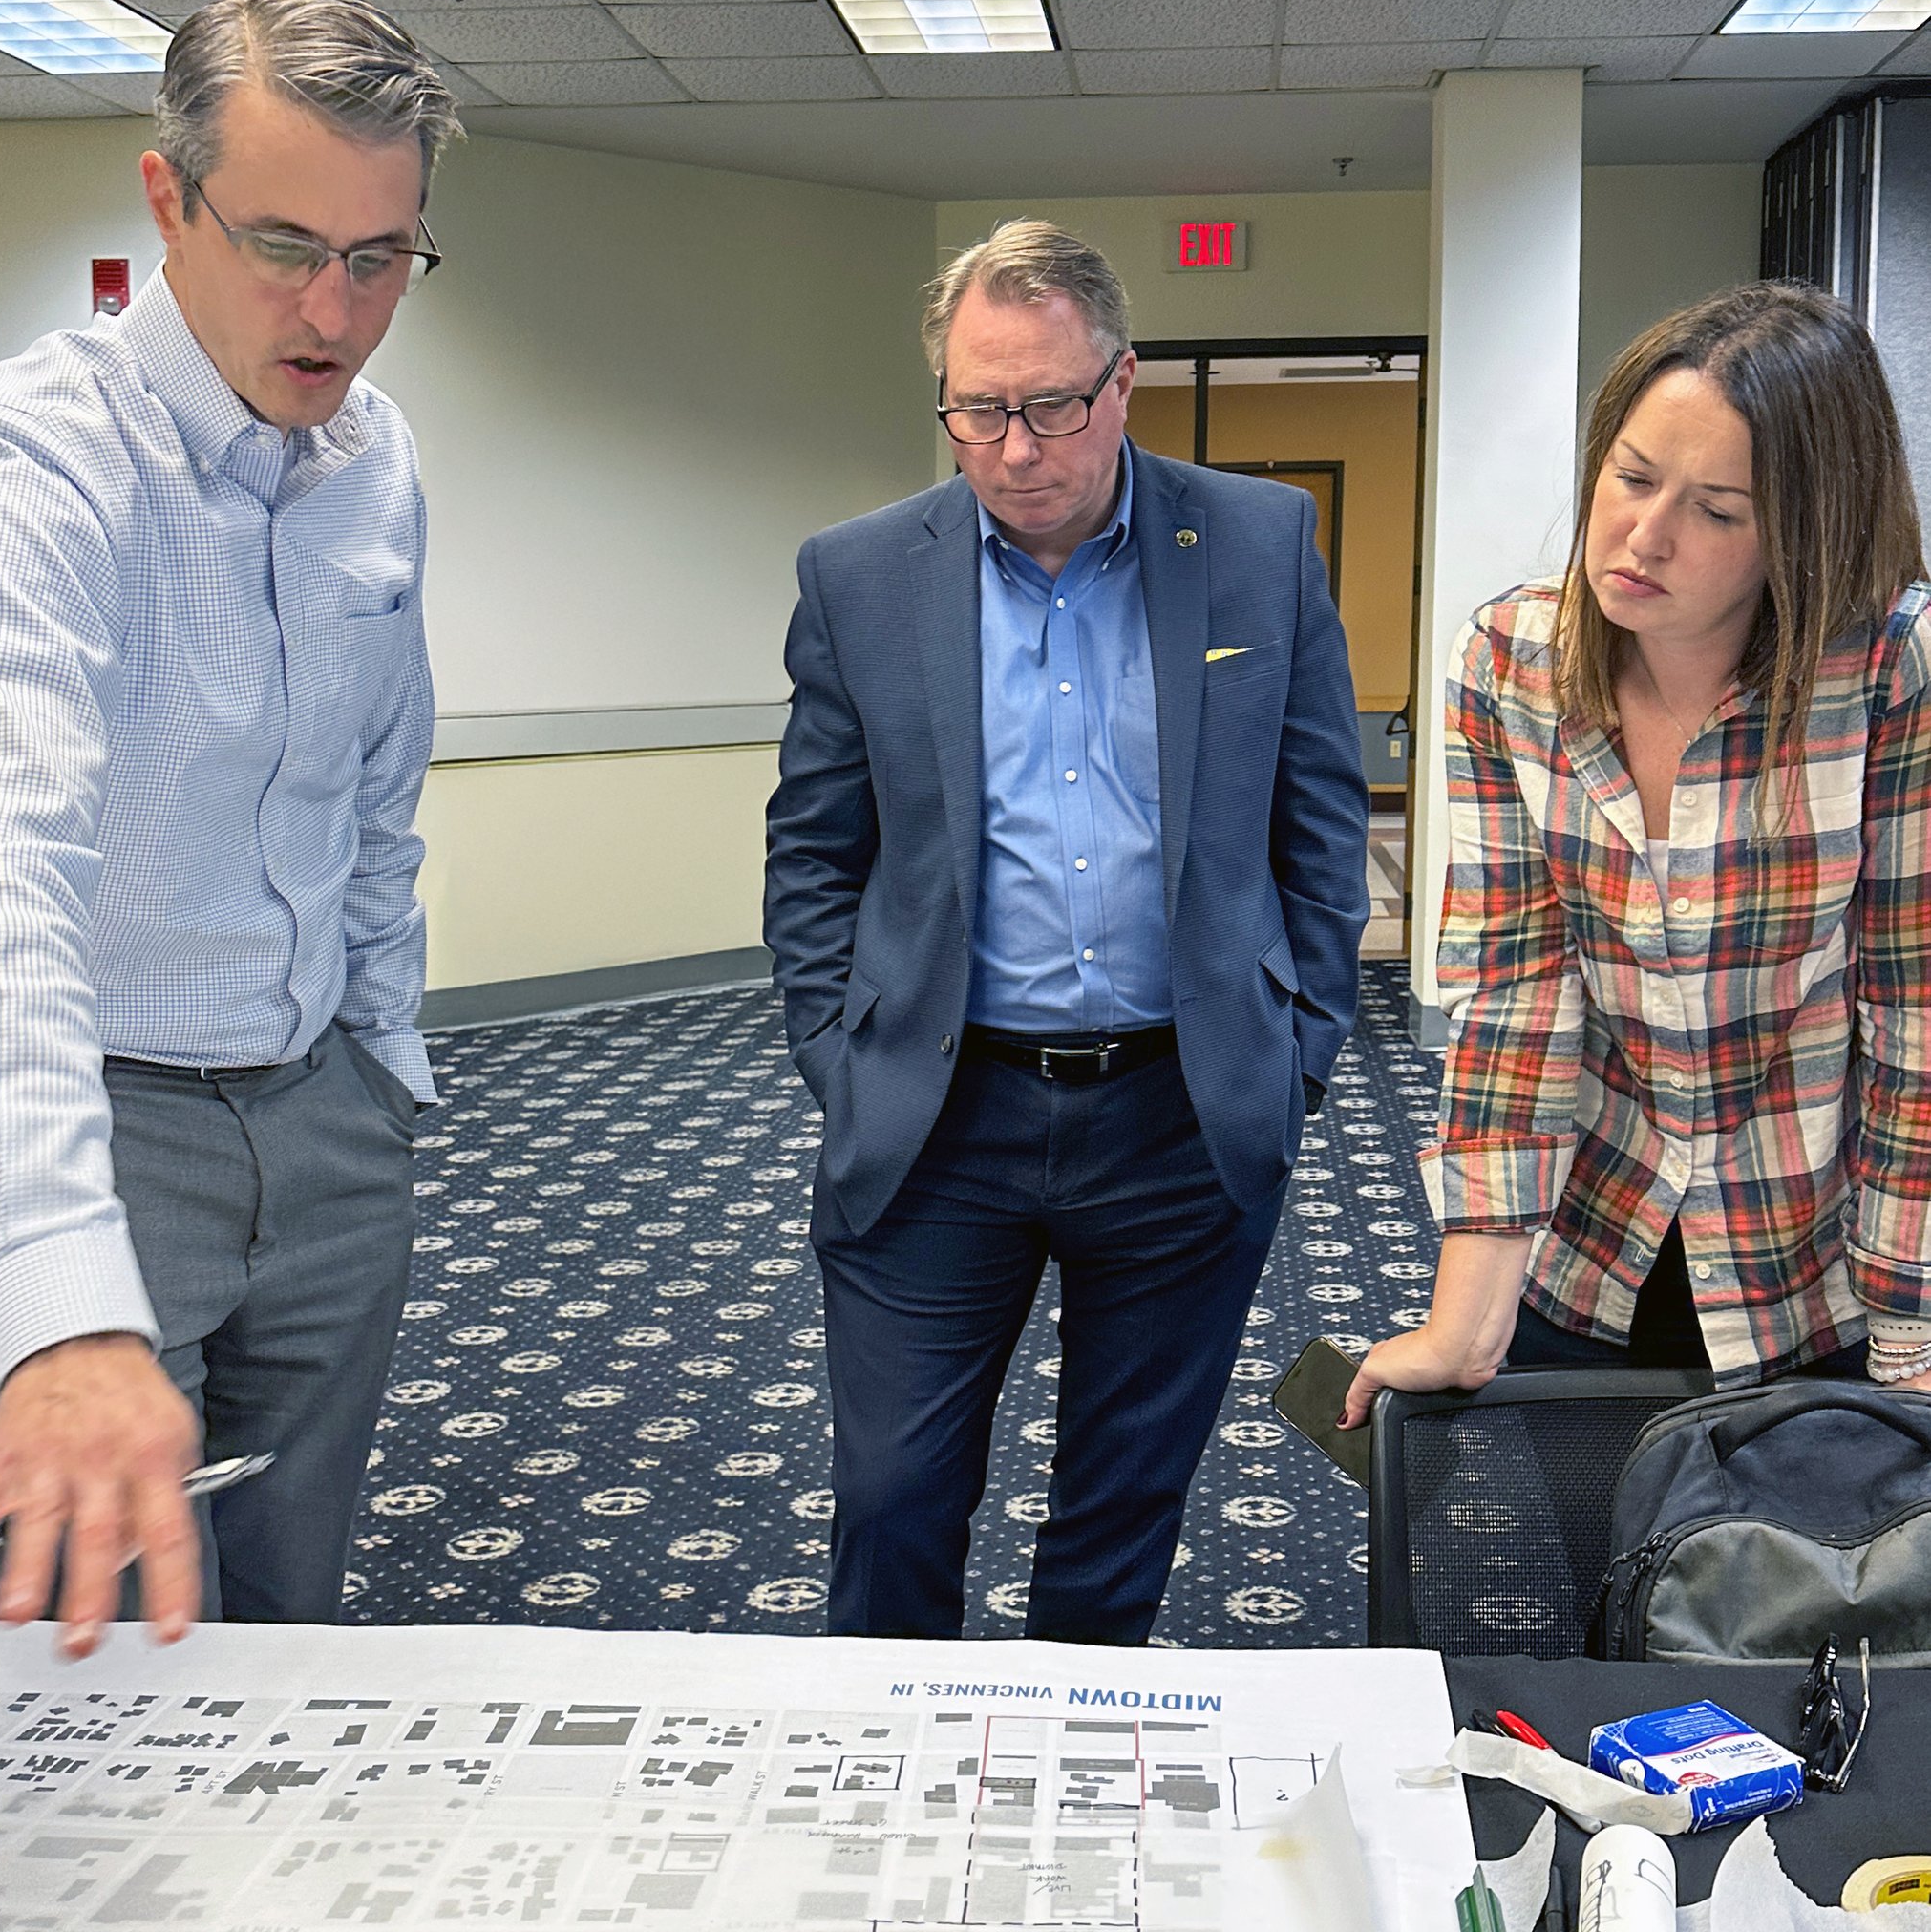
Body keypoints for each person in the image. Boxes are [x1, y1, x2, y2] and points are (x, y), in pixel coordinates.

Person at [0, 0, 460, 1652]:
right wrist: (57, 1303)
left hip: (321, 1111)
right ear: (167, 201)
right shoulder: (24, 470)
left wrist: (383, 1067)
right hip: (84, 1107)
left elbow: (376, 793)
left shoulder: (376, 460)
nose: (334, 310)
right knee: (88, 1647)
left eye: (381, 256)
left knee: (279, 1615)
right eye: (285, 245)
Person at [765, 219, 1369, 1643]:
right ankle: (888, 1753)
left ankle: (1072, 1755)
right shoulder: (861, 575)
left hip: (1179, 1109)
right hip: (938, 1114)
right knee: (893, 1496)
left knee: (1119, 1508)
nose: (1015, 447)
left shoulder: (1258, 542)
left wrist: (1296, 1053)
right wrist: (839, 1056)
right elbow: (816, 846)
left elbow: (1318, 821)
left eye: (1050, 405)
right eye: (978, 410)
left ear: (1121, 381)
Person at [1343, 283, 1931, 1428]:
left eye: (1717, 511)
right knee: (1584, 1536)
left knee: (1797, 1548)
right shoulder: (1510, 659)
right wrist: (1464, 1321)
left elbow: (1913, 1012)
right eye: (1631, 477)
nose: (1644, 537)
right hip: (1588, 1237)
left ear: (1804, 533)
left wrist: (1908, 1328)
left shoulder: (1887, 669)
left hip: (1820, 1266)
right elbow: (1515, 992)